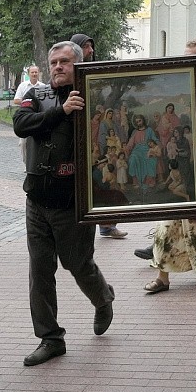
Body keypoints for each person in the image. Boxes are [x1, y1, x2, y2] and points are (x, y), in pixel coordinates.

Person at [13, 40, 116, 367]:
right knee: (40, 269)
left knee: (77, 263)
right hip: (37, 199)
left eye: (64, 62)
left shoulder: (93, 97)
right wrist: (61, 111)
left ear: (78, 64)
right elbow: (20, 124)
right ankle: (51, 338)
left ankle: (103, 298)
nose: (58, 67)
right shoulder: (36, 95)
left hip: (73, 201)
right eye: (53, 62)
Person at [138, 40, 196, 293]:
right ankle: (162, 277)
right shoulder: (178, 88)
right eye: (184, 57)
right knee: (168, 222)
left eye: (192, 57)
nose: (187, 61)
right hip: (180, 162)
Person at [71, 33, 128, 240]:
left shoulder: (96, 75)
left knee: (105, 182)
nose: (91, 51)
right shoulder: (70, 77)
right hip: (78, 139)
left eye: (91, 46)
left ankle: (107, 224)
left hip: (97, 141)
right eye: (87, 46)